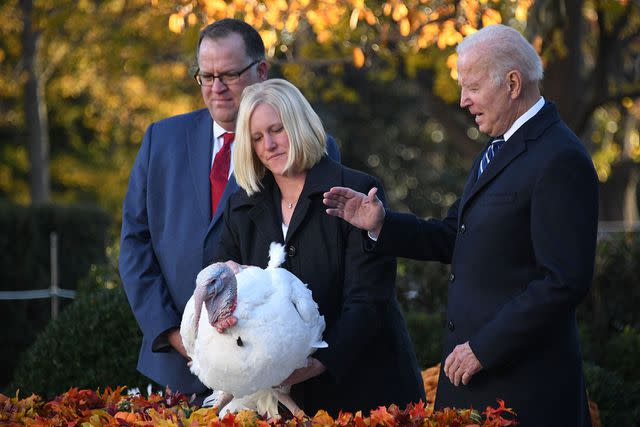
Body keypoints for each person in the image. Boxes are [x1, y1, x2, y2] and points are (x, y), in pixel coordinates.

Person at [323, 24, 598, 426]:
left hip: (525, 392)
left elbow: (563, 281)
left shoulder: (560, 158)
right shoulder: (497, 149)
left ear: (513, 83)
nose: (463, 100)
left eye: (471, 87)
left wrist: (484, 348)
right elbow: (456, 236)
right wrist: (381, 223)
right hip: (477, 388)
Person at [119, 19, 340, 398]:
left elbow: (322, 262)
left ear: (261, 71)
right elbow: (135, 246)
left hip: (270, 371)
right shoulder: (161, 140)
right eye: (205, 76)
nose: (216, 88)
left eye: (229, 75)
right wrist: (175, 333)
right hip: (176, 366)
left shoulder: (302, 147)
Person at [211, 78, 425, 416]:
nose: (268, 144)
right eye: (256, 137)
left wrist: (319, 362)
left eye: (276, 129)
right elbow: (218, 277)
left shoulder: (357, 190)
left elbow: (369, 300)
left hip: (365, 395)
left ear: (298, 125)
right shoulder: (240, 206)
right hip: (279, 404)